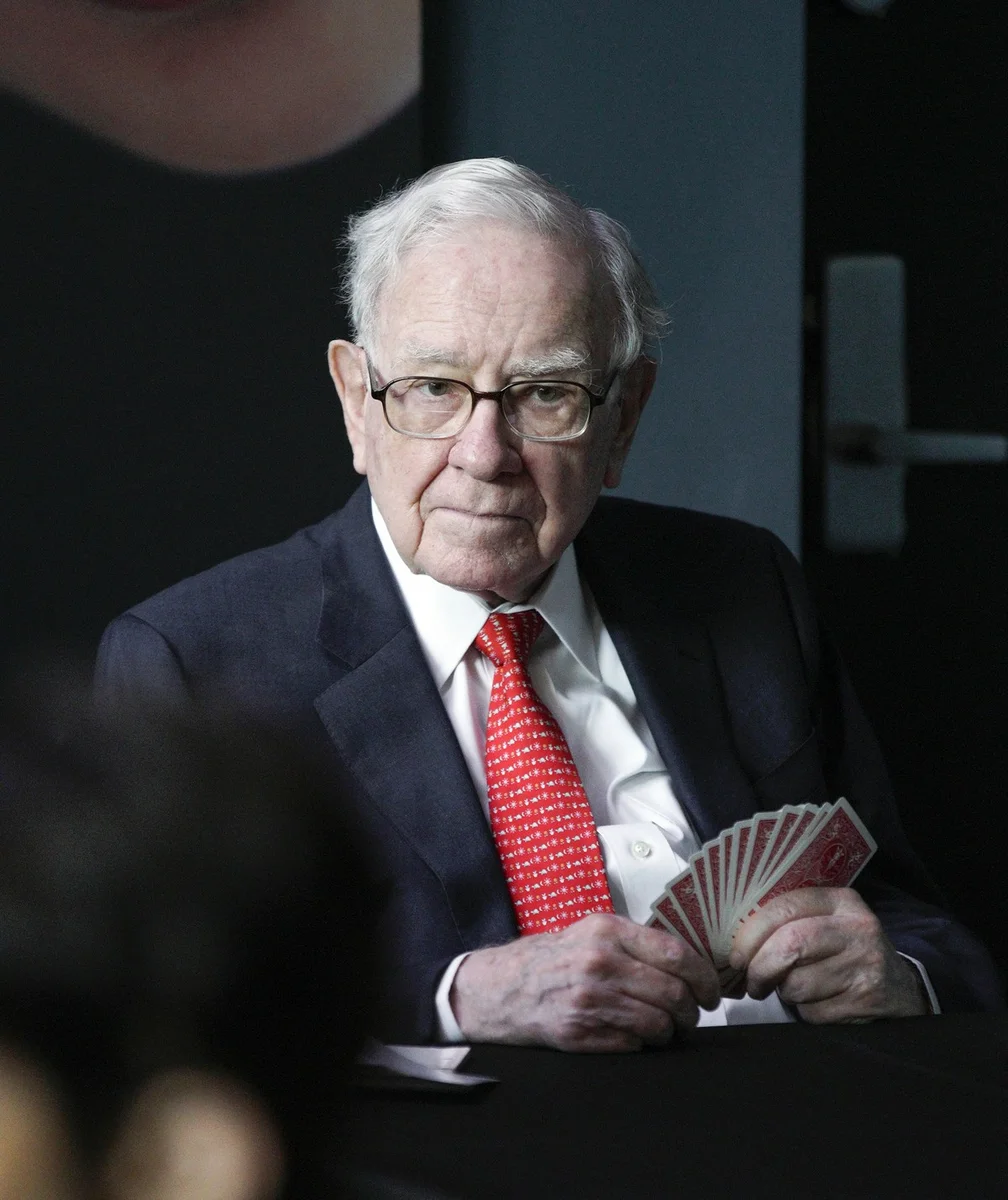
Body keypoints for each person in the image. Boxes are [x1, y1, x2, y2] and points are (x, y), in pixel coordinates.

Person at [96, 158, 1005, 1053]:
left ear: (625, 417)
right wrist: (457, 997)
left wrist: (899, 974)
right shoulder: (195, 664)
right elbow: (161, 1006)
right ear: (355, 403)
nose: (484, 454)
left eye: (544, 395)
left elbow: (910, 918)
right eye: (433, 389)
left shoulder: (740, 585)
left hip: (790, 1109)